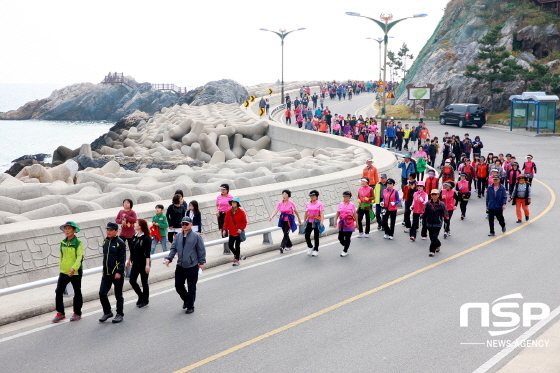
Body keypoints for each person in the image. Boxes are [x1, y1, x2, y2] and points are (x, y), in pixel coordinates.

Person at [164, 217, 206, 314]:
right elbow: (173, 248)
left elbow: (201, 250)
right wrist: (169, 258)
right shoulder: (178, 236)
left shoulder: (196, 237)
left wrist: (201, 263)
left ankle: (190, 306)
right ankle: (187, 300)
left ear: (191, 225)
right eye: (183, 224)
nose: (184, 226)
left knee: (191, 287)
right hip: (180, 266)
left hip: (192, 266)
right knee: (178, 285)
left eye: (186, 224)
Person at [52, 221, 84, 323]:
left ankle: (77, 313)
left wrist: (73, 268)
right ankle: (60, 313)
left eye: (69, 229)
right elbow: (61, 257)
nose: (67, 231)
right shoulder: (62, 243)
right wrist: (62, 269)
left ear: (74, 231)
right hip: (64, 272)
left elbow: (79, 258)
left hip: (75, 272)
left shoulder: (78, 243)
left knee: (77, 291)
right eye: (65, 229)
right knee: (58, 291)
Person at [98, 222, 126, 323]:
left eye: (110, 230)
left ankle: (119, 314)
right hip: (106, 273)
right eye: (107, 230)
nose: (108, 232)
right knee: (102, 293)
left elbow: (122, 259)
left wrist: (119, 272)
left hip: (116, 273)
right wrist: (103, 270)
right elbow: (105, 258)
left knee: (118, 294)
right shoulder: (105, 242)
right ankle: (107, 312)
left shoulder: (120, 242)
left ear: (116, 231)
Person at [127, 219, 151, 308]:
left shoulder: (146, 238)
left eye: (136, 223)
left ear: (140, 226)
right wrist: (129, 260)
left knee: (144, 282)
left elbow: (147, 253)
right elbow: (132, 250)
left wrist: (147, 265)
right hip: (135, 263)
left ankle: (145, 300)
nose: (134, 224)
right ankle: (141, 296)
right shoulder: (134, 236)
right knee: (132, 280)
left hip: (144, 263)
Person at [423, 189, 449, 257]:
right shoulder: (428, 204)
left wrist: (446, 220)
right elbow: (424, 212)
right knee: (431, 237)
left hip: (438, 223)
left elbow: (445, 213)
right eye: (432, 194)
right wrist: (423, 219)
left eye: (435, 194)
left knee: (434, 237)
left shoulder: (441, 204)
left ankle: (432, 250)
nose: (434, 196)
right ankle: (438, 244)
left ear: (438, 195)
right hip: (429, 223)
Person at [222, 197, 247, 266]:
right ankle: (237, 255)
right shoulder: (228, 212)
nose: (233, 204)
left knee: (237, 246)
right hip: (231, 232)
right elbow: (226, 221)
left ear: (237, 204)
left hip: (238, 233)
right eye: (232, 202)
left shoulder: (241, 212)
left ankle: (236, 260)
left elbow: (244, 222)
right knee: (230, 246)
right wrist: (224, 229)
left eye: (234, 202)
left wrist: (241, 229)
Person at [336, 191, 358, 257]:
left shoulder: (352, 205)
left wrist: (357, 223)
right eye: (344, 196)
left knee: (347, 237)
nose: (345, 198)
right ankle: (346, 245)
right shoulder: (340, 204)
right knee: (340, 238)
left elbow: (355, 214)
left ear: (349, 197)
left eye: (346, 196)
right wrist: (335, 220)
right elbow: (337, 213)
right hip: (342, 223)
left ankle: (345, 250)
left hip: (349, 223)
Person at [304, 190, 324, 257]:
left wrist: (322, 221)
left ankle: (316, 250)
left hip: (317, 221)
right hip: (309, 221)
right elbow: (306, 213)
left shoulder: (320, 204)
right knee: (307, 235)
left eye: (313, 196)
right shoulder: (307, 204)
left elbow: (322, 213)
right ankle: (310, 246)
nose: (312, 197)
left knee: (316, 236)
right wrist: (304, 220)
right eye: (311, 196)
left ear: (316, 196)